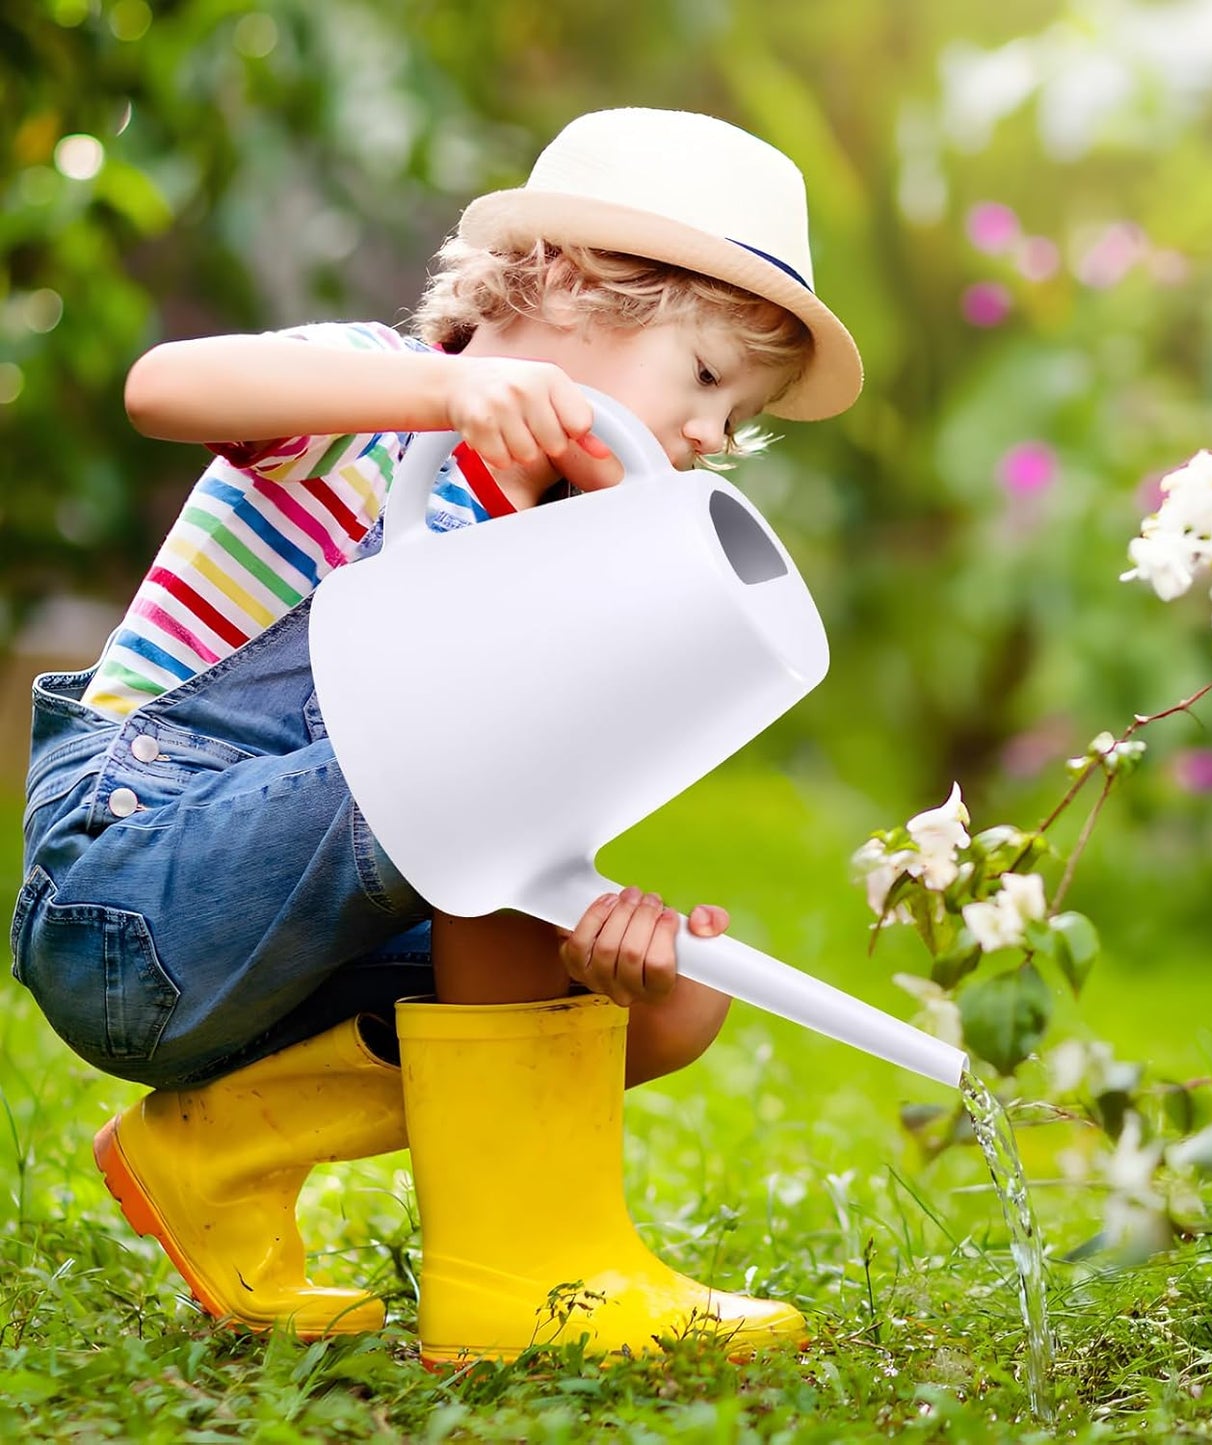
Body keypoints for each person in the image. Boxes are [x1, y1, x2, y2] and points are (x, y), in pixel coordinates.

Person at [12, 107, 862, 1364]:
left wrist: (593, 924)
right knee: (480, 759)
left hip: (285, 944)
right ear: (573, 282)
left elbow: (508, 865)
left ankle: (231, 1153)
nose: (710, 437)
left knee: (671, 1001)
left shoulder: (568, 543)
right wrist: (444, 386)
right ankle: (518, 1271)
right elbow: (164, 386)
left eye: (737, 417)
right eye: (703, 379)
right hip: (132, 884)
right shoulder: (373, 395)